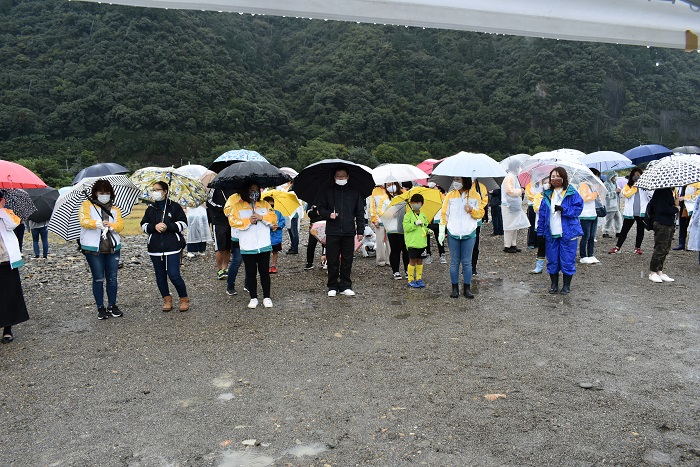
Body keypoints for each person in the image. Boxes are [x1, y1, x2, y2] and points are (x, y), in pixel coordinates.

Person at [79, 179, 125, 320]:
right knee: (98, 278)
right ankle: (100, 307)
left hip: (112, 248)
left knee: (112, 278)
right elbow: (83, 221)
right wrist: (97, 223)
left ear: (111, 193)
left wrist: (111, 225)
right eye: (101, 192)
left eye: (107, 192)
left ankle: (112, 305)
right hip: (93, 249)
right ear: (95, 193)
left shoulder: (115, 209)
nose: (104, 195)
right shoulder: (87, 205)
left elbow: (120, 226)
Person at [141, 181, 190, 312]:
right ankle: (167, 299)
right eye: (153, 190)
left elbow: (183, 223)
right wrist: (154, 226)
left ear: (165, 192)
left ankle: (184, 298)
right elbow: (144, 225)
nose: (154, 192)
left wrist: (168, 226)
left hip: (172, 247)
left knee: (174, 274)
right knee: (160, 276)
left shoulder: (174, 207)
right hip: (155, 248)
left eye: (157, 189)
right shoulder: (150, 208)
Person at [317, 167, 365, 297]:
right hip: (332, 231)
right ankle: (332, 285)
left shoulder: (355, 192)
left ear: (348, 177)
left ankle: (346, 285)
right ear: (334, 177)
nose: (340, 178)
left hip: (349, 231)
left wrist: (360, 230)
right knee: (332, 259)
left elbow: (360, 212)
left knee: (347, 259)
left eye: (343, 176)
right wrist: (328, 214)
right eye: (338, 176)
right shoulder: (328, 192)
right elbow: (320, 208)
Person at [228, 183, 276, 308]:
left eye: (256, 190)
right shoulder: (237, 206)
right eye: (251, 190)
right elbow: (232, 221)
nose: (254, 192)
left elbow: (273, 218)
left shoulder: (264, 204)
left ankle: (266, 297)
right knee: (250, 273)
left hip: (264, 245)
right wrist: (248, 221)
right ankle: (253, 297)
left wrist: (261, 217)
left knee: (264, 272)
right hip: (247, 246)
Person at [537, 167, 583, 294]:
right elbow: (542, 215)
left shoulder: (571, 193)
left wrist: (564, 209)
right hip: (551, 233)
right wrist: (540, 232)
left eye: (558, 176)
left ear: (563, 178)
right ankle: (554, 284)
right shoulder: (547, 195)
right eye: (552, 177)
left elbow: (578, 209)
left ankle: (566, 285)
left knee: (567, 259)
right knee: (552, 259)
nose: (555, 179)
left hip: (568, 232)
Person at [439, 177, 486, 299]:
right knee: (454, 262)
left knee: (467, 262)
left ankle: (467, 288)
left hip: (469, 233)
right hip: (453, 233)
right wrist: (442, 230)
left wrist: (471, 210)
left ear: (465, 180)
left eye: (458, 180)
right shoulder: (450, 196)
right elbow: (444, 214)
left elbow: (481, 214)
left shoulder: (475, 195)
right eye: (455, 179)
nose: (456, 182)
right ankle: (455, 288)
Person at [0, 190, 29, 343]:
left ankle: (7, 328)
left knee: (8, 293)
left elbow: (14, 224)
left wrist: (1, 210)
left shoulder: (8, 213)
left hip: (6, 260)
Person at [609, 167, 651, 255]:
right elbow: (626, 195)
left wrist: (647, 188)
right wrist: (635, 186)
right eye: (635, 175)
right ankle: (617, 247)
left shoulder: (645, 186)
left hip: (641, 212)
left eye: (638, 175)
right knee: (624, 230)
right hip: (630, 213)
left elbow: (650, 197)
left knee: (640, 231)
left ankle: (637, 247)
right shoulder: (627, 186)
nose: (637, 177)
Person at [648, 188, 680, 283]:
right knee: (660, 248)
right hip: (662, 223)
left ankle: (659, 271)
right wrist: (675, 208)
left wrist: (676, 201)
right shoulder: (661, 191)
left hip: (668, 223)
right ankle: (653, 272)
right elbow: (662, 209)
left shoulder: (668, 191)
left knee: (665, 249)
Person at [500, 162, 530, 252]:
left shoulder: (513, 177)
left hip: (513, 204)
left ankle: (513, 244)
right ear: (515, 167)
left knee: (515, 225)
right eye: (518, 167)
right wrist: (520, 191)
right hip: (508, 204)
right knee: (509, 226)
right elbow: (509, 191)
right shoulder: (510, 177)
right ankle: (507, 246)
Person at [207, 187, 236, 280]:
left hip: (231, 220)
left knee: (228, 247)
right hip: (218, 220)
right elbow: (209, 201)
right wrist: (220, 207)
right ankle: (219, 269)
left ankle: (225, 267)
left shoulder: (233, 187)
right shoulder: (214, 187)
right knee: (220, 247)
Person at [382, 182, 409, 280]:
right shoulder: (385, 199)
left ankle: (407, 270)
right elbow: (381, 213)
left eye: (392, 184)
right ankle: (396, 271)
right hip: (392, 228)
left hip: (405, 227)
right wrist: (391, 214)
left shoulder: (404, 197)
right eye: (388, 185)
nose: (390, 187)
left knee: (406, 250)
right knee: (395, 250)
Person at [403, 193, 429, 288]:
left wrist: (428, 230)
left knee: (420, 260)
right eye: (414, 202)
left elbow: (425, 226)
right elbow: (406, 228)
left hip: (422, 242)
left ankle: (419, 278)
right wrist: (414, 223)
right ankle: (410, 279)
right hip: (412, 242)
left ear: (422, 203)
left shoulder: (423, 215)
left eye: (418, 202)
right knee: (412, 261)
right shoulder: (408, 215)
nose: (416, 204)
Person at [578, 169, 601, 264]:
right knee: (586, 236)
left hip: (593, 214)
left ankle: (591, 254)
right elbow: (584, 198)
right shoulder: (583, 185)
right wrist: (595, 194)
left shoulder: (592, 186)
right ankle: (583, 256)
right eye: (596, 176)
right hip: (585, 215)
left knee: (592, 236)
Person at [530, 177, 549, 274]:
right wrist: (545, 208)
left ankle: (553, 266)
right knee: (541, 246)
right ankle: (539, 266)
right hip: (541, 225)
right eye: (545, 183)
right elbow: (536, 208)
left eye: (549, 183)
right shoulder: (538, 195)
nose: (547, 184)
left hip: (552, 226)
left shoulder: (555, 195)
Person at [368, 185, 391, 267]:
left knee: (390, 241)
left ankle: (390, 259)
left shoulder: (391, 189)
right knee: (379, 241)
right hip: (379, 220)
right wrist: (374, 219)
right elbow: (372, 206)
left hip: (390, 220)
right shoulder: (375, 191)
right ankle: (381, 260)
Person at [673, 182, 700, 250]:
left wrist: (685, 198)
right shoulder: (679, 183)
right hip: (682, 206)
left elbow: (697, 195)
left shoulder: (696, 183)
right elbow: (675, 193)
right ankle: (681, 243)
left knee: (692, 225)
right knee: (682, 226)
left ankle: (692, 244)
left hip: (691, 206)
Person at [470, 179, 489, 276]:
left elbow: (484, 201)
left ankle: (473, 266)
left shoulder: (480, 187)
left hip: (476, 220)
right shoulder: (460, 186)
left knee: (475, 243)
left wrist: (474, 208)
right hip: (463, 221)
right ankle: (465, 266)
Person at [263, 195, 286, 273]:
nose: (271, 206)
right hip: (266, 237)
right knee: (266, 253)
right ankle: (266, 266)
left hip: (276, 236)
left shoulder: (278, 213)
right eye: (269, 205)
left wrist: (278, 225)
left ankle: (273, 265)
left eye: (272, 204)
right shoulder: (263, 214)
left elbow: (283, 222)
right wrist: (270, 226)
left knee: (275, 251)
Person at [425, 183, 446, 264]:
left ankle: (442, 254)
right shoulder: (425, 195)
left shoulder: (441, 196)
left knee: (440, 238)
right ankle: (428, 254)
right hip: (428, 220)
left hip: (438, 220)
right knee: (426, 239)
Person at [602, 173, 622, 238]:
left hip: (616, 205)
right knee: (609, 220)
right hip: (610, 205)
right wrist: (615, 191)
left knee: (618, 219)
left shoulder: (615, 183)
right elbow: (606, 194)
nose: (615, 178)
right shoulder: (606, 184)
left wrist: (618, 191)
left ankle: (618, 232)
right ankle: (605, 232)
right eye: (614, 176)